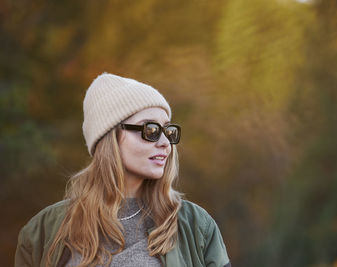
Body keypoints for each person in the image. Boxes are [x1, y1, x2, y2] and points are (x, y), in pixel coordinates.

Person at [15, 73, 231, 267]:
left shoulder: (195, 226)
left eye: (168, 130)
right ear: (110, 138)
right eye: (152, 129)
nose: (166, 142)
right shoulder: (42, 231)